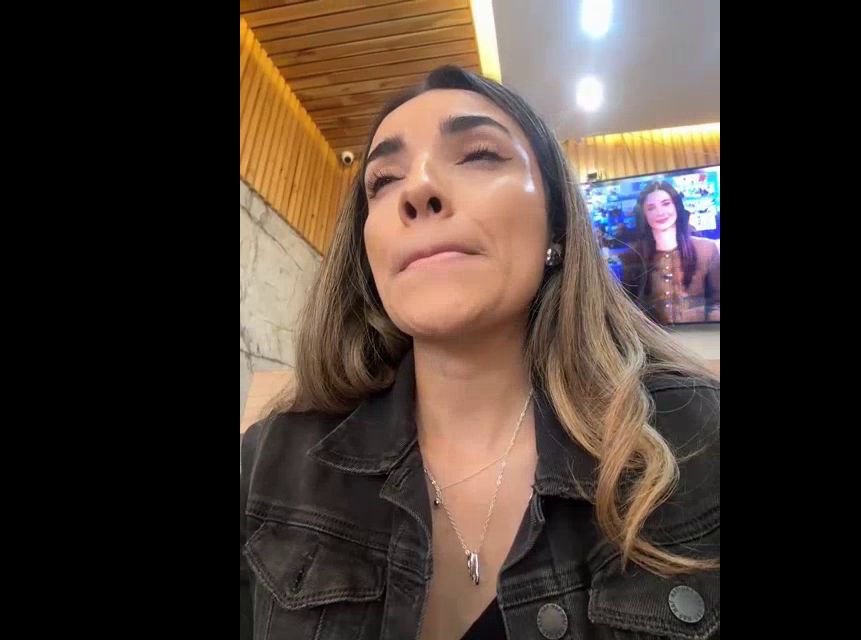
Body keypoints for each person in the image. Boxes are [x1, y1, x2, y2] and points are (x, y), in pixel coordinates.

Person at [240, 66, 720, 640]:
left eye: (478, 155)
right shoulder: (266, 464)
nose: (416, 189)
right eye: (383, 180)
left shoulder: (702, 440)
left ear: (556, 225)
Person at [623, 181, 720, 324]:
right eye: (651, 208)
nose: (660, 212)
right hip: (654, 336)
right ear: (644, 215)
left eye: (666, 204)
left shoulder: (707, 249)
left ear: (677, 206)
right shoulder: (633, 256)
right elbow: (628, 308)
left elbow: (718, 303)